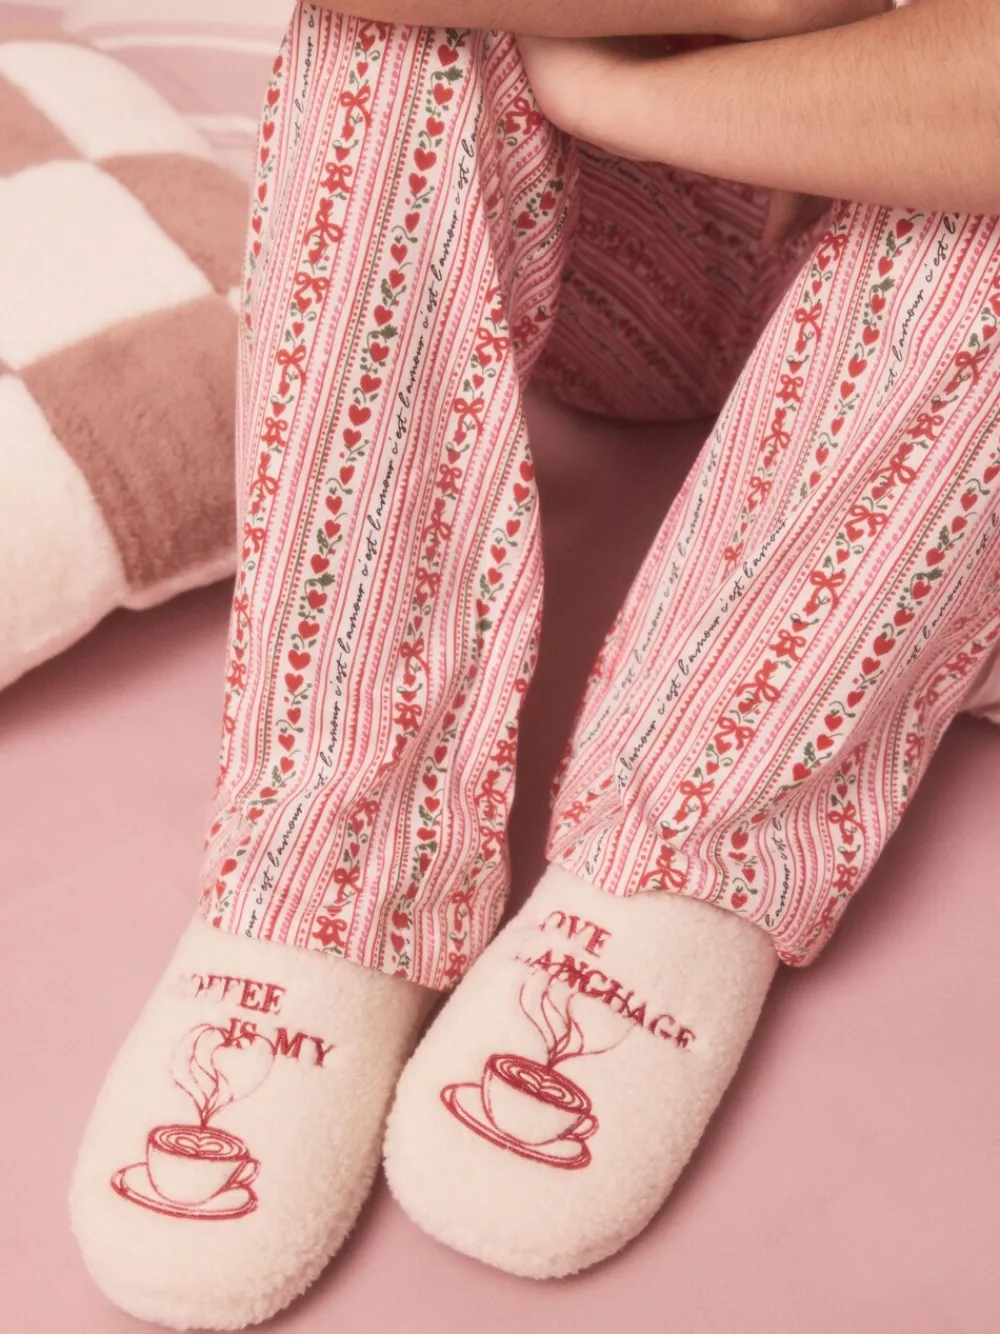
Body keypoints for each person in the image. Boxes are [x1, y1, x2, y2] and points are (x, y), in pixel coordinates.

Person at [71, 2, 1000, 1327]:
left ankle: (678, 852)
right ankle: (337, 868)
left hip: (947, 326)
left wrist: (628, 96)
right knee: (390, 46)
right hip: (699, 238)